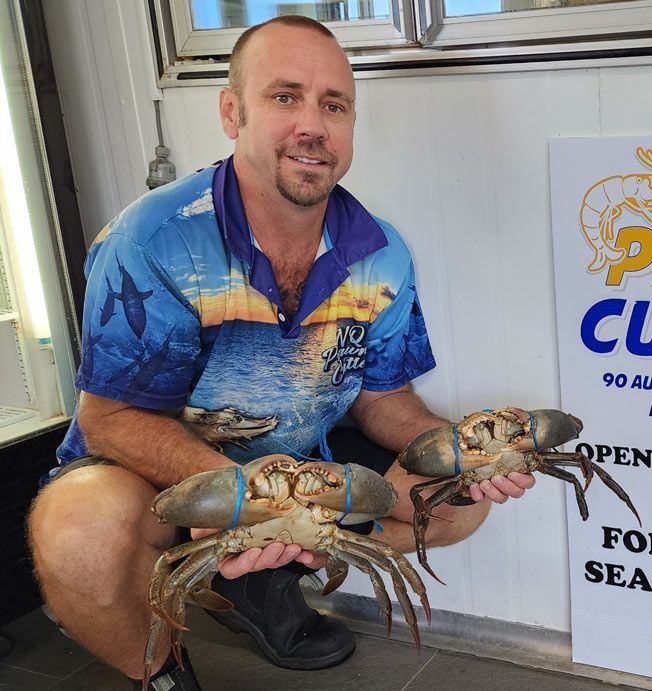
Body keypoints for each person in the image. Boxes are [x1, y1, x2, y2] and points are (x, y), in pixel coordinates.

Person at [27, 15, 535, 691]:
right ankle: (159, 669)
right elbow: (111, 417)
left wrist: (460, 450)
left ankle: (262, 575)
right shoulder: (151, 239)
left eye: (334, 104)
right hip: (154, 473)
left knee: (455, 501)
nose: (313, 125)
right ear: (232, 111)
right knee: (78, 532)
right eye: (285, 96)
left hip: (299, 473)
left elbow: (382, 398)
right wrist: (240, 500)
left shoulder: (380, 252)